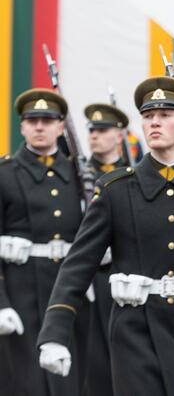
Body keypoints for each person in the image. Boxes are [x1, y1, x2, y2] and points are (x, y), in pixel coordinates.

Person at [37, 77, 174, 396]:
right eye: (148, 116)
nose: (154, 122)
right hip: (134, 331)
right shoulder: (116, 190)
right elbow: (78, 265)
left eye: (166, 115)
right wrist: (54, 334)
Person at [0, 89, 84, 395]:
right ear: (21, 127)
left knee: (69, 381)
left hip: (68, 296)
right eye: (32, 120)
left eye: (47, 120)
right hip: (19, 298)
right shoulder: (5, 174)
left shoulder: (79, 175)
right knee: (24, 382)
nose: (39, 127)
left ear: (60, 127)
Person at [83, 102, 134, 396]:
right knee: (94, 361)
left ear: (119, 135)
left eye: (102, 131)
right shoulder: (79, 172)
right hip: (92, 278)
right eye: (92, 131)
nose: (95, 136)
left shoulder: (131, 175)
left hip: (125, 275)